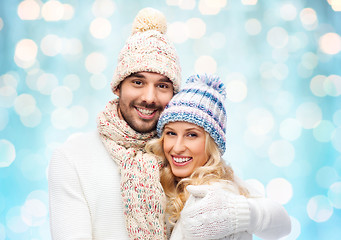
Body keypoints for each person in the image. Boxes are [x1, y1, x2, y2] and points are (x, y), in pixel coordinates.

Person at [48, 8, 181, 239]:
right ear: (118, 86)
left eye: (162, 86)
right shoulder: (72, 159)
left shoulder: (184, 156)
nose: (149, 97)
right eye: (138, 82)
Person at [146, 74, 292, 239]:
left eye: (192, 135)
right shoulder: (156, 179)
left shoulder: (216, 195)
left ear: (211, 144)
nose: (177, 147)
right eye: (171, 133)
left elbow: (283, 223)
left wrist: (238, 213)